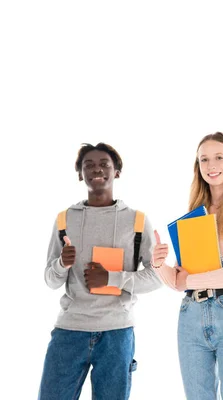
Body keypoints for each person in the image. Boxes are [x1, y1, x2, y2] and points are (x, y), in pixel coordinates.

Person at [39, 142, 162, 400]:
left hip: (117, 334)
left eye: (104, 164)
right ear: (80, 173)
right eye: (89, 165)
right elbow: (50, 280)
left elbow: (156, 276)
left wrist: (111, 278)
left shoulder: (137, 221)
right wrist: (62, 263)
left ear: (116, 171)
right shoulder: (64, 220)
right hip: (69, 331)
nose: (97, 170)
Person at [152, 132, 223, 400]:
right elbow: (179, 279)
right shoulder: (194, 214)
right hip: (190, 314)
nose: (211, 165)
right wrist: (158, 265)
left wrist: (186, 281)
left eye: (219, 157)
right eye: (204, 160)